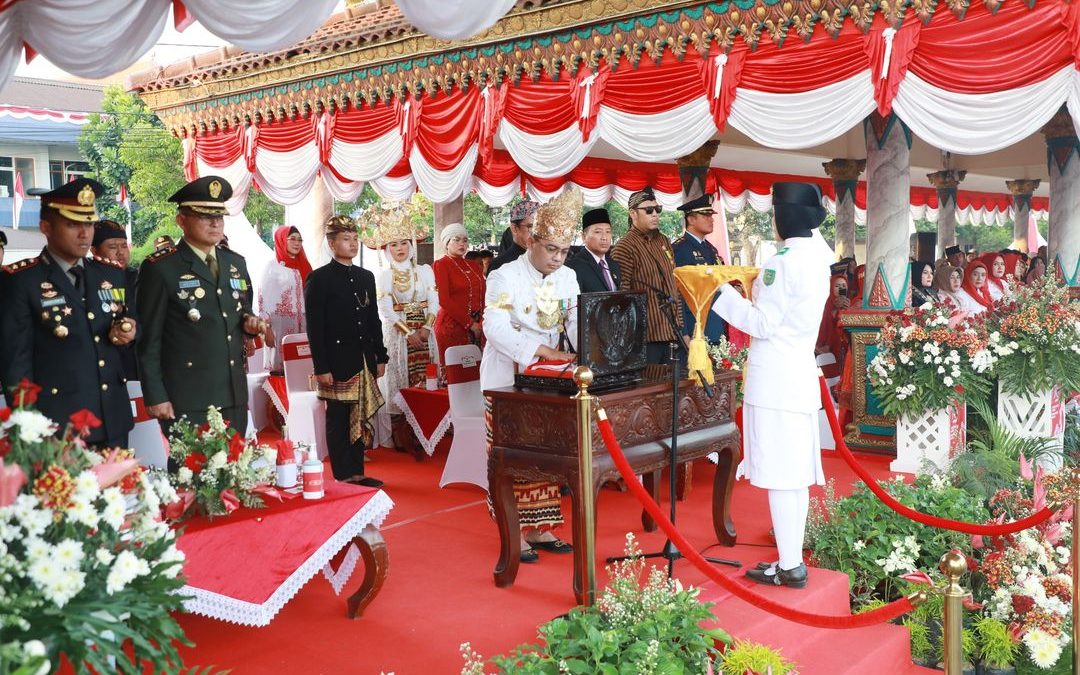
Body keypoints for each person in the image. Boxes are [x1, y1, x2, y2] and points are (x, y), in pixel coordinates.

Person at [710, 182, 833, 589]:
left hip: (776, 379)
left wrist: (718, 295)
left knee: (783, 475)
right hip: (797, 375)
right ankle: (789, 560)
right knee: (794, 476)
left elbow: (762, 324)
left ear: (783, 217)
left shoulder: (783, 263)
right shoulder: (817, 257)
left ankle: (790, 566)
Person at [482, 188, 581, 563]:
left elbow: (572, 318)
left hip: (549, 377)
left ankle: (540, 528)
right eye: (551, 249)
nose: (557, 259)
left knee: (544, 452)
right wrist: (543, 351)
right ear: (532, 241)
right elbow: (495, 327)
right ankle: (513, 533)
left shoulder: (568, 276)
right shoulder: (504, 275)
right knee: (510, 458)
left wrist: (581, 351)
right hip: (507, 376)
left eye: (563, 252)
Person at [0, 179, 137, 447]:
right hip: (58, 426)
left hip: (113, 419)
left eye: (88, 224)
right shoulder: (22, 281)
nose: (84, 234)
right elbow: (16, 367)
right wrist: (29, 431)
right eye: (73, 224)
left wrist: (130, 331)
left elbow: (129, 324)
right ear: (46, 227)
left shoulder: (109, 274)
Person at [136, 176, 262, 438]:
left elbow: (239, 312)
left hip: (233, 392)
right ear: (181, 220)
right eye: (205, 216)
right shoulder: (161, 267)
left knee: (235, 471)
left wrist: (250, 325)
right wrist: (156, 395)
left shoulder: (235, 262)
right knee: (191, 473)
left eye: (219, 216)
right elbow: (149, 340)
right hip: (188, 396)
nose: (215, 223)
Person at [305, 215, 387, 488]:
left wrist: (381, 355)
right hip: (336, 361)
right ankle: (342, 474)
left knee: (361, 414)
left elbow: (373, 319)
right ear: (331, 243)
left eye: (355, 239)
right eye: (345, 239)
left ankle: (358, 471)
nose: (352, 244)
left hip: (363, 358)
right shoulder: (319, 279)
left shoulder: (366, 277)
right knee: (339, 416)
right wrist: (322, 367)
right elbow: (315, 328)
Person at [369, 208, 438, 447]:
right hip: (399, 334)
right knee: (400, 380)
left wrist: (426, 328)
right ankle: (402, 434)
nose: (400, 249)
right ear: (387, 249)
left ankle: (425, 429)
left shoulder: (424, 271)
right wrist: (408, 333)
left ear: (412, 245)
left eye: (404, 243)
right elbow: (386, 309)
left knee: (426, 378)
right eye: (394, 244)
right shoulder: (384, 276)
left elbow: (434, 301)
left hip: (425, 331)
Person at [610, 187, 682, 364]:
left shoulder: (664, 241)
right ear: (633, 214)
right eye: (648, 211)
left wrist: (682, 329)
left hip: (673, 333)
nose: (655, 214)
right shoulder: (624, 247)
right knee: (651, 389)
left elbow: (675, 285)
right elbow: (621, 296)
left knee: (675, 387)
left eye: (658, 210)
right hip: (645, 338)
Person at [672, 194, 727, 342]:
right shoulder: (680, 249)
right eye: (705, 215)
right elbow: (678, 293)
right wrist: (683, 331)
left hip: (715, 324)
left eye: (711, 215)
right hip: (694, 327)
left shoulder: (711, 249)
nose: (711, 219)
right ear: (690, 219)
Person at [91, 220, 140, 381]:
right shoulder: (88, 280)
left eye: (124, 246)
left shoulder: (140, 277)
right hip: (104, 366)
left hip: (138, 364)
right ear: (94, 250)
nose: (121, 252)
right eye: (112, 247)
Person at [258, 226, 310, 373]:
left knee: (302, 366)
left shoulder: (304, 265)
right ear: (281, 240)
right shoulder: (272, 267)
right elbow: (263, 300)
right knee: (281, 366)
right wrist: (266, 329)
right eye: (292, 239)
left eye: (300, 239)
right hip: (279, 323)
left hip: (303, 322)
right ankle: (280, 395)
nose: (297, 243)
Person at [432, 223, 485, 364]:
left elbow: (483, 294)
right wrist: (470, 324)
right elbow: (444, 300)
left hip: (478, 326)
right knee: (455, 375)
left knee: (476, 374)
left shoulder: (473, 265)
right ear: (447, 243)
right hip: (452, 327)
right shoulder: (441, 264)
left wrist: (482, 322)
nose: (462, 243)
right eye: (456, 239)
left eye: (465, 240)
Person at [566, 207, 621, 293]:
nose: (604, 237)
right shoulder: (573, 267)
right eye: (598, 232)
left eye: (608, 232)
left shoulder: (614, 265)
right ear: (584, 237)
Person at [488, 200, 538, 275]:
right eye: (531, 227)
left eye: (540, 227)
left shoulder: (545, 262)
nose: (537, 232)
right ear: (514, 228)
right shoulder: (500, 265)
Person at [816, 272, 850, 364]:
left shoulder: (850, 302)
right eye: (837, 286)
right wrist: (835, 310)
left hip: (845, 348)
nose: (841, 288)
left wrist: (849, 310)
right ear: (831, 288)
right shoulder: (827, 304)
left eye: (843, 285)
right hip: (829, 350)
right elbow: (824, 326)